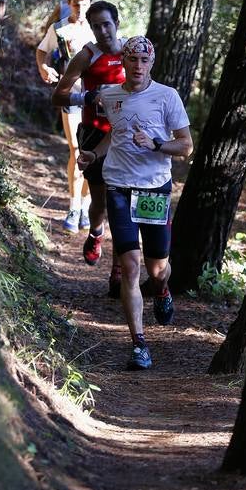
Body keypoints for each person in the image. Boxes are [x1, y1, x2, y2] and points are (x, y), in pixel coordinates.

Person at [78, 36, 193, 371]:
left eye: (144, 61)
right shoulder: (110, 95)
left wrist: (157, 144)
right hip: (119, 187)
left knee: (157, 269)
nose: (138, 66)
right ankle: (139, 344)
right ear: (123, 63)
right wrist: (93, 153)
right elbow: (116, 133)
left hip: (154, 189)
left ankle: (162, 289)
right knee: (130, 265)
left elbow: (185, 146)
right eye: (132, 60)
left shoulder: (167, 96)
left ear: (151, 63)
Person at [52, 0, 126, 297]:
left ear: (117, 23)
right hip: (94, 135)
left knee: (123, 206)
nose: (102, 31)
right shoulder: (85, 56)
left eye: (106, 24)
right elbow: (58, 97)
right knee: (101, 201)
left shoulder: (133, 53)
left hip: (125, 137)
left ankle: (119, 271)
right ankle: (96, 232)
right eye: (96, 26)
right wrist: (88, 97)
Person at [36, 0, 94, 232]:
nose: (79, 10)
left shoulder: (98, 28)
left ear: (89, 2)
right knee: (75, 149)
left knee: (92, 152)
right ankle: (73, 207)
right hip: (70, 95)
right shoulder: (59, 29)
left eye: (83, 5)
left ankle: (86, 205)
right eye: (75, 5)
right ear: (67, 3)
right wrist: (44, 68)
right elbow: (42, 51)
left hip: (96, 98)